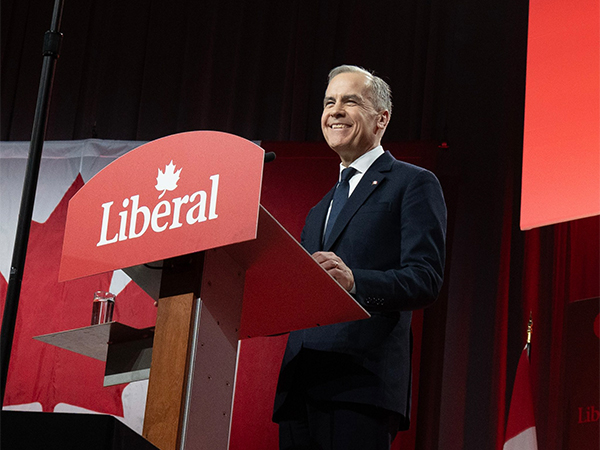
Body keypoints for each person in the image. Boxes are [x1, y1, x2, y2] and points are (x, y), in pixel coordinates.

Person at [272, 65, 447, 450]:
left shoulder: (413, 183)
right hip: (301, 387)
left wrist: (355, 281)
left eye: (350, 101)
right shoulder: (320, 208)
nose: (335, 111)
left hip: (359, 384)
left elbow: (425, 279)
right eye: (329, 102)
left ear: (381, 118)